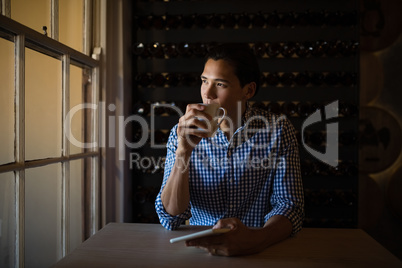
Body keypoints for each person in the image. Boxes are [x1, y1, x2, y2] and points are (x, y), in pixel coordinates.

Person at [155, 43, 304, 256]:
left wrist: (257, 240)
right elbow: (171, 217)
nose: (207, 93)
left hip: (258, 250)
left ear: (248, 90)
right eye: (204, 81)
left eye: (220, 84)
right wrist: (183, 152)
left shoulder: (278, 130)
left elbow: (289, 205)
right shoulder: (181, 133)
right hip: (199, 252)